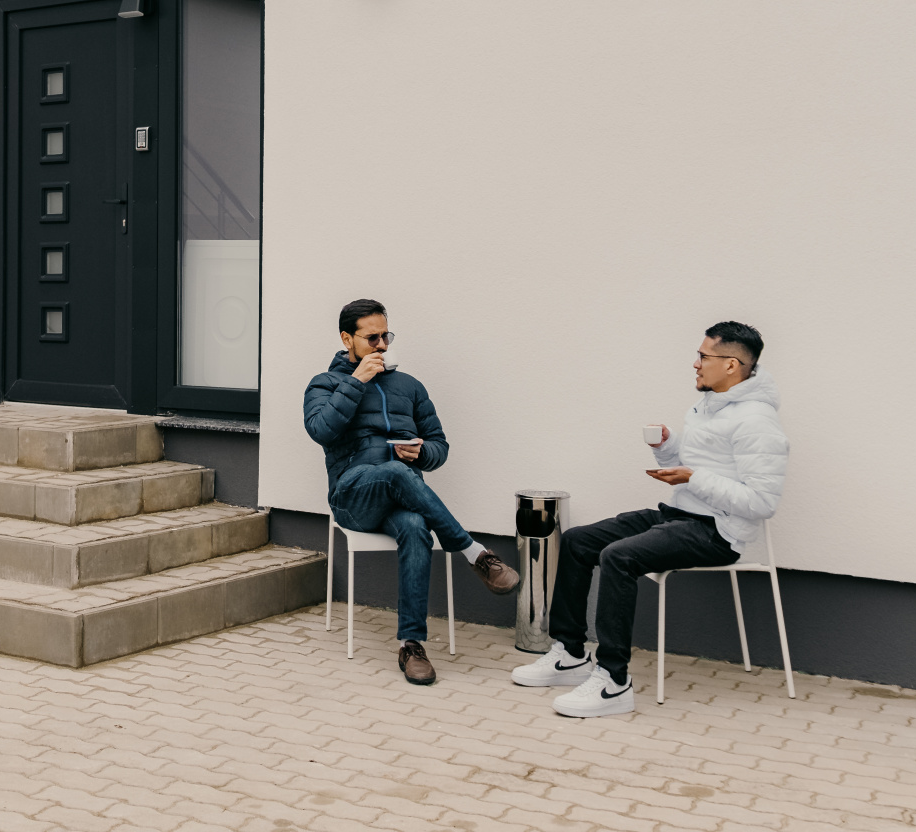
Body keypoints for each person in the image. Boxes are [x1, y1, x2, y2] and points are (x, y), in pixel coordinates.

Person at [511, 320, 789, 717]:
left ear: (731, 364)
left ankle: (613, 682)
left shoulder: (758, 422)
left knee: (619, 557)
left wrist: (693, 477)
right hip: (677, 515)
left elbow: (761, 502)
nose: (695, 363)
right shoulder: (707, 407)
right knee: (577, 541)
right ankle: (570, 654)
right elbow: (695, 467)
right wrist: (667, 446)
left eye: (703, 356)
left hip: (716, 532)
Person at [305, 299, 521, 686]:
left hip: (399, 496)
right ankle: (475, 554)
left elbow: (439, 446)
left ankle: (411, 645)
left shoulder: (410, 386)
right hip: (353, 496)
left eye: (386, 336)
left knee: (416, 526)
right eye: (372, 338)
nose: (382, 345)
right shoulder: (325, 383)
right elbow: (320, 430)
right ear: (347, 339)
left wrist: (422, 453)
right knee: (394, 472)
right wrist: (356, 382)